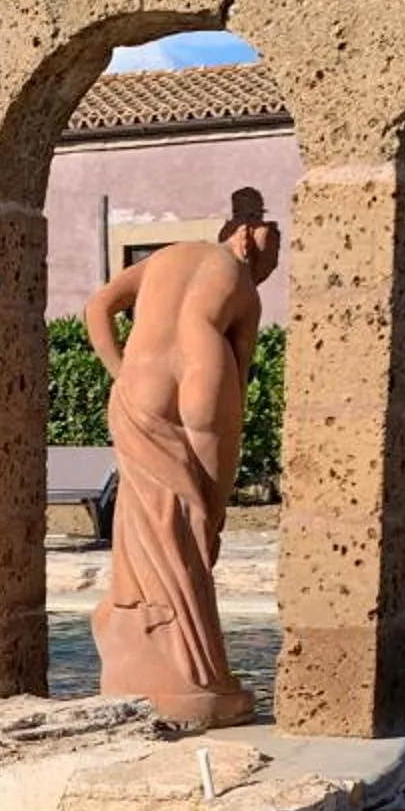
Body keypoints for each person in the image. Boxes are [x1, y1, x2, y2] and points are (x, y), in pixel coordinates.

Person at [81, 188, 279, 732]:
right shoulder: (243, 287)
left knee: (146, 511)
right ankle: (198, 673)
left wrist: (120, 370)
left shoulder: (163, 259)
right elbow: (238, 367)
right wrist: (217, 496)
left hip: (140, 380)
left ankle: (150, 635)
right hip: (208, 376)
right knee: (198, 519)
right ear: (243, 238)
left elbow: (97, 306)